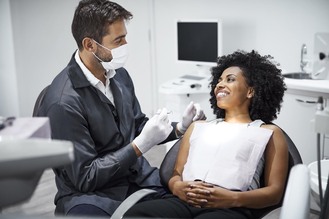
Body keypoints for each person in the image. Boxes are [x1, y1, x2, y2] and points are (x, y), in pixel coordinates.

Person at [35, 0, 206, 217]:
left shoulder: (119, 76)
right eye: (118, 40)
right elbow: (86, 177)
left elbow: (137, 125)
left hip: (138, 178)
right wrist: (138, 146)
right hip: (93, 195)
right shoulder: (63, 102)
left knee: (194, 210)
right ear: (90, 45)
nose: (125, 44)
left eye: (125, 36)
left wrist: (179, 128)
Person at [124, 50, 289, 219]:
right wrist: (176, 187)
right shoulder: (198, 127)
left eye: (230, 79)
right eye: (219, 81)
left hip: (230, 208)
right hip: (183, 202)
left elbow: (274, 193)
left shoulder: (268, 132)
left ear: (250, 92)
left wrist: (232, 198)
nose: (220, 85)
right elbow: (176, 173)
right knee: (136, 214)